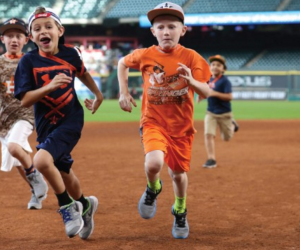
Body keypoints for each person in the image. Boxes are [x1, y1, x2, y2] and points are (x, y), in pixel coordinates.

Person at [118, 2, 211, 239]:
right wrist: (124, 92)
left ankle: (180, 209)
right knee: (154, 164)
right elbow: (122, 63)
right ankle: (153, 188)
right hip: (153, 122)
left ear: (183, 30)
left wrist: (191, 82)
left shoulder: (192, 58)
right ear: (153, 31)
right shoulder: (146, 54)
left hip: (181, 128)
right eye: (160, 27)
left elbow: (206, 91)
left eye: (172, 26)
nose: (166, 31)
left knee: (178, 174)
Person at [14, 7, 103, 239]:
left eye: (48, 26)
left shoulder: (71, 53)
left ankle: (67, 207)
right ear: (31, 37)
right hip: (46, 123)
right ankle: (85, 204)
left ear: (59, 30)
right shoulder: (27, 61)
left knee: (41, 161)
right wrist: (48, 87)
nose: (43, 31)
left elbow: (82, 72)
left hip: (71, 119)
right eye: (37, 29)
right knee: (63, 171)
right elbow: (24, 101)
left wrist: (98, 94)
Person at [0, 17, 48, 209]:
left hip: (26, 116)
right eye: (9, 36)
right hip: (4, 120)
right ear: (2, 39)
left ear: (26, 39)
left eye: (18, 36)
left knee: (13, 147)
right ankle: (36, 193)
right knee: (19, 158)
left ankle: (38, 182)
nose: (14, 40)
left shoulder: (31, 62)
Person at [200, 55, 239, 169]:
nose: (215, 67)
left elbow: (229, 97)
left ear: (223, 69)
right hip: (211, 113)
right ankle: (211, 159)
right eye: (213, 64)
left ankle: (232, 124)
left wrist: (213, 93)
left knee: (227, 138)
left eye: (219, 65)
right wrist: (202, 96)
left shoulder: (225, 81)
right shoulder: (209, 79)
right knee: (208, 134)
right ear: (210, 67)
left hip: (225, 114)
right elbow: (207, 92)